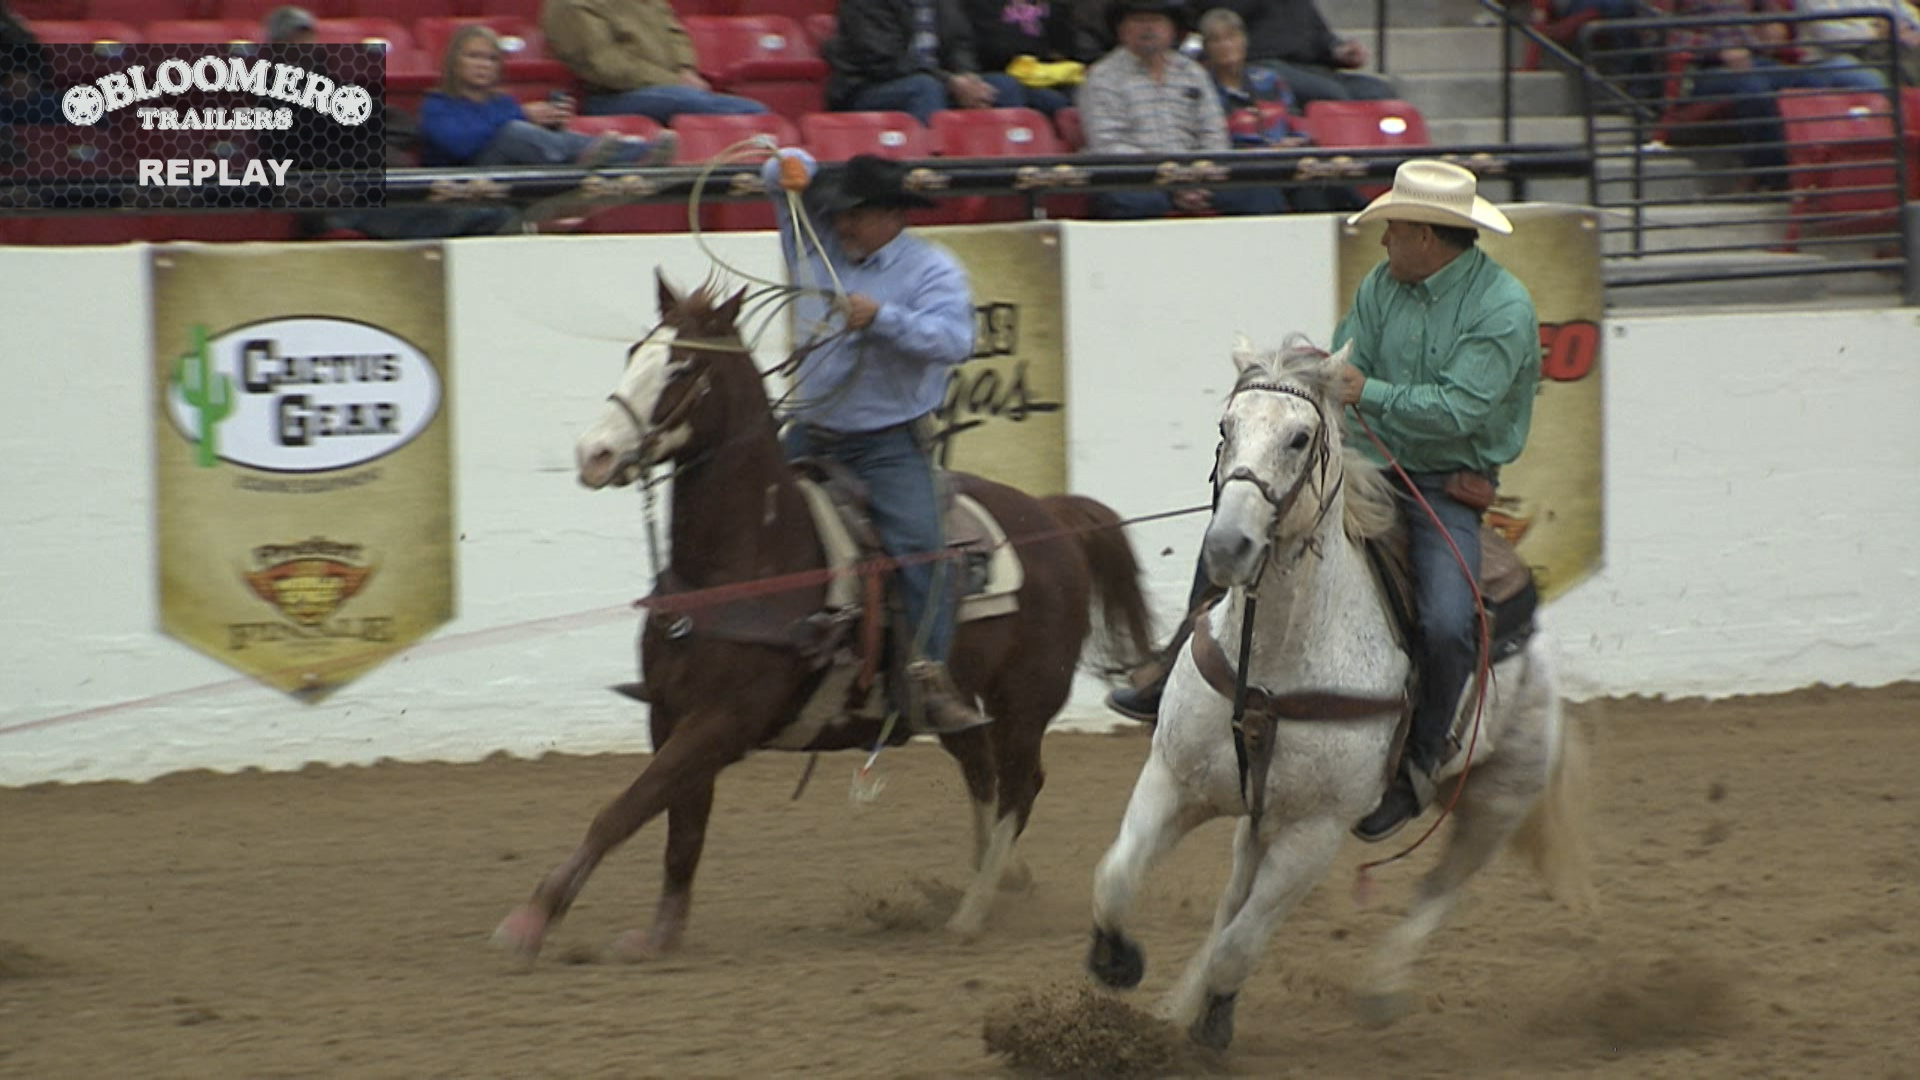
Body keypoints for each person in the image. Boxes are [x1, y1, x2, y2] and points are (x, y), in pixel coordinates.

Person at [1106, 160, 1540, 845]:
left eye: (1394, 227)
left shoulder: (1503, 311)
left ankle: (1417, 765)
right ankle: (1170, 668)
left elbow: (1459, 411)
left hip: (1441, 482)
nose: (1384, 238)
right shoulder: (1383, 284)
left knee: (1449, 620)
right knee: (1239, 516)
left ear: (1430, 235)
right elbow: (1344, 367)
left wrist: (1369, 393)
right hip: (1362, 459)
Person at [760, 148, 987, 736]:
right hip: (812, 431)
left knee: (923, 551)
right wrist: (791, 163)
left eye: (853, 215)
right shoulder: (817, 246)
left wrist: (883, 318)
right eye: (835, 213)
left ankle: (929, 677)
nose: (839, 224)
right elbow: (780, 183)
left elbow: (955, 340)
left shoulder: (933, 270)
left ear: (892, 216)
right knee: (741, 517)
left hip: (888, 443)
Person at [1079, 0, 1288, 218]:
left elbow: (1213, 134)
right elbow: (1109, 144)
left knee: (1260, 194)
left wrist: (1200, 180)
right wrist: (1171, 181)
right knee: (1134, 202)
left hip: (1198, 176)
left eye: (1156, 21)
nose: (1148, 28)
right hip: (1134, 179)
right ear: (1121, 30)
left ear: (1172, 29)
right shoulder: (1102, 77)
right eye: (1139, 21)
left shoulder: (1192, 72)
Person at [419, 25, 676, 168]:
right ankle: (609, 156)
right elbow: (462, 144)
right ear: (454, 62)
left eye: (491, 58)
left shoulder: (502, 103)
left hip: (512, 177)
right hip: (462, 184)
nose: (483, 65)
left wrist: (550, 123)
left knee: (559, 136)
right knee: (513, 132)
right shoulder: (437, 104)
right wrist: (523, 115)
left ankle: (641, 153)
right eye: (473, 56)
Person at [1196, 6, 1363, 213]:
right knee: (1276, 191)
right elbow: (1216, 141)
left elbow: (1296, 122)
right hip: (1246, 170)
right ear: (1206, 48)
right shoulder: (1204, 88)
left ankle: (1363, 223)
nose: (1225, 46)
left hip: (1287, 162)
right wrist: (1266, 151)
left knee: (1322, 182)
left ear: (1244, 41)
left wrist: (1297, 140)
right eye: (1217, 40)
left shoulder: (1269, 80)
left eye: (1231, 37)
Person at [826, 0, 1057, 124]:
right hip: (868, 86)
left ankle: (1003, 178)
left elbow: (960, 43)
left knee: (1003, 86)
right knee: (924, 88)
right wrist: (950, 81)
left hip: (937, 80)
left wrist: (968, 77)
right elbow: (882, 59)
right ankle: (931, 174)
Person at [543, 0, 770, 123]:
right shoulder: (569, 5)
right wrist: (673, 80)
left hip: (666, 87)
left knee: (693, 98)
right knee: (740, 110)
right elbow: (603, 65)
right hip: (608, 97)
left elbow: (675, 32)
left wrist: (685, 69)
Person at [1212, 0, 1395, 104]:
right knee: (1331, 93)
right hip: (1264, 64)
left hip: (1312, 68)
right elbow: (1218, 17)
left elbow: (1321, 36)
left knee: (1378, 90)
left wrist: (1339, 51)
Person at [962, 0, 1087, 116]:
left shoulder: (1053, 5)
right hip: (1004, 73)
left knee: (1084, 93)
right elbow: (993, 48)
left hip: (1050, 73)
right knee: (1053, 101)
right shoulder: (982, 5)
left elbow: (1067, 45)